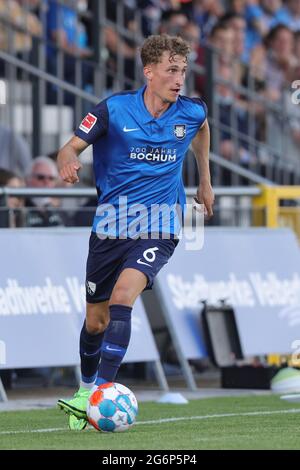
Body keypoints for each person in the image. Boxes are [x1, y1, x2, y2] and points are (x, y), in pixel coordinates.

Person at [56, 34, 214, 430]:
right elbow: (70, 147)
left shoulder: (191, 112)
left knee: (124, 297)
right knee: (96, 321)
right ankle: (85, 386)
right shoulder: (113, 110)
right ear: (149, 72)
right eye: (171, 70)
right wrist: (67, 158)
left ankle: (101, 393)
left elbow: (203, 129)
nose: (179, 79)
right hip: (110, 227)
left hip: (160, 223)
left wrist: (204, 181)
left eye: (183, 71)